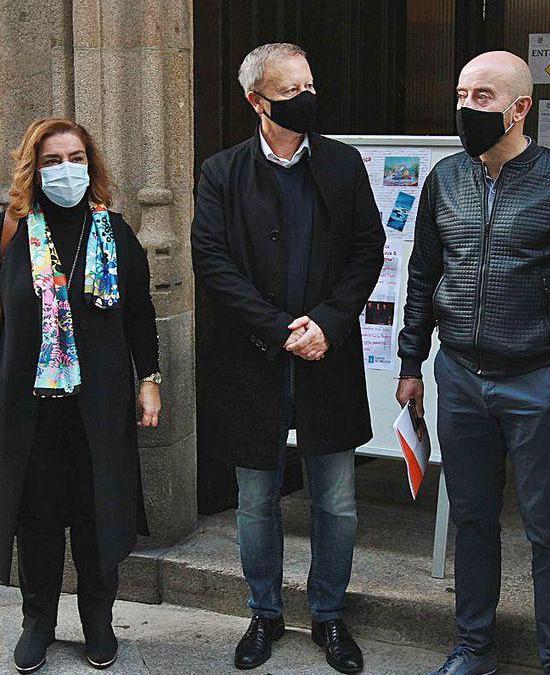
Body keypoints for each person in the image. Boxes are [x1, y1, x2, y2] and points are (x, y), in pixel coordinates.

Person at [397, 52, 550, 675]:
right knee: (471, 518)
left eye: (483, 97)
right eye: (461, 94)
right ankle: (472, 647)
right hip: (460, 375)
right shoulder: (444, 179)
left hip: (536, 379)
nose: (468, 108)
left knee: (547, 526)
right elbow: (423, 274)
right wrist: (412, 359)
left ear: (521, 108)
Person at [190, 42, 384, 674]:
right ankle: (265, 611)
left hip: (328, 357)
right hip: (254, 361)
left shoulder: (344, 164)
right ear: (256, 101)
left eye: (310, 85)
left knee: (337, 500)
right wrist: (279, 330)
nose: (307, 99)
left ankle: (328, 614)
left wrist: (326, 322)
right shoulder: (222, 173)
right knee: (256, 500)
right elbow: (213, 264)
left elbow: (366, 251)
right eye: (291, 91)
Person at [0, 117, 162, 673]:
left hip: (99, 407)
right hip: (30, 409)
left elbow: (140, 313)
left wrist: (150, 380)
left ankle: (99, 620)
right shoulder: (8, 230)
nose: (64, 170)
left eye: (74, 158)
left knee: (98, 513)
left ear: (91, 165)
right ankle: (38, 621)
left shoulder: (115, 233)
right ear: (33, 167)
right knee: (37, 517)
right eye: (52, 160)